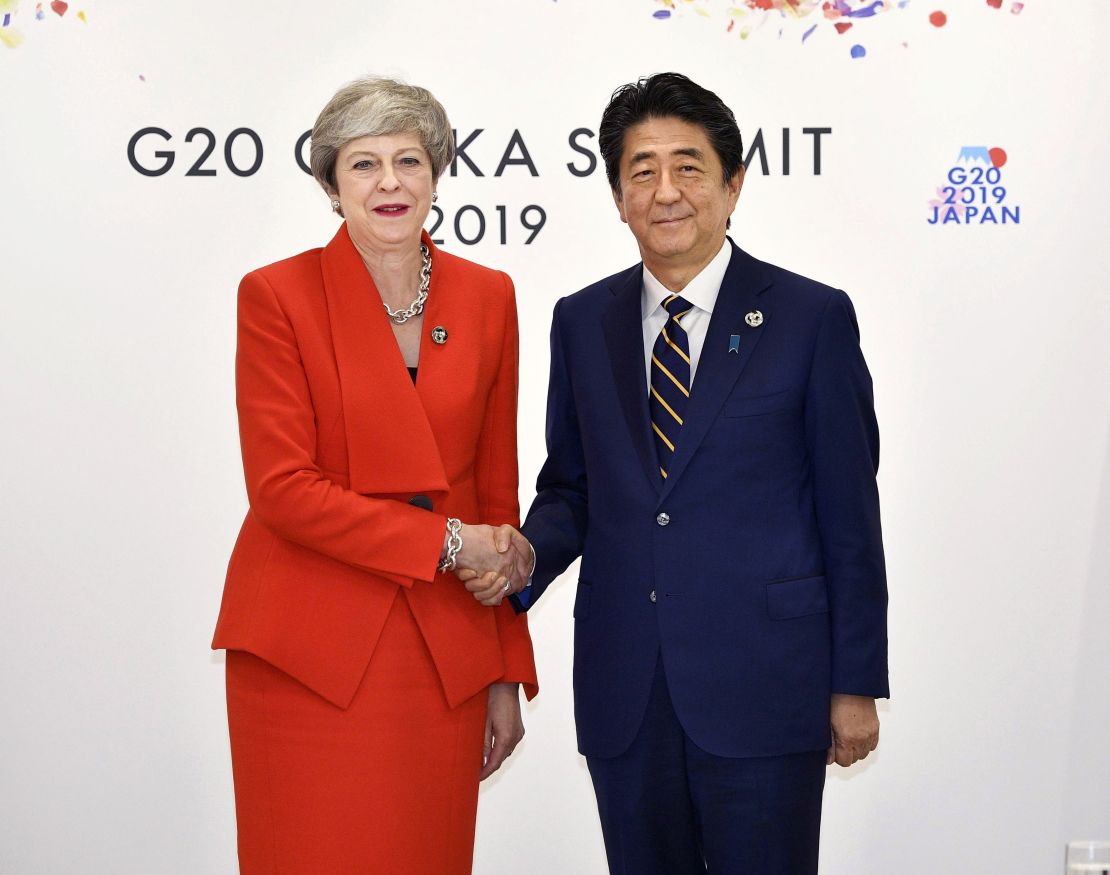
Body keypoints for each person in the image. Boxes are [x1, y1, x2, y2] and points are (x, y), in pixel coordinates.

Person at [508, 72, 889, 873]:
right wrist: (518, 561)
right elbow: (573, 488)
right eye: (641, 170)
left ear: (733, 183)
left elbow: (849, 511)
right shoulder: (581, 321)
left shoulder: (810, 317)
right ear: (618, 196)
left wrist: (855, 682)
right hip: (628, 691)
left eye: (688, 166)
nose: (665, 190)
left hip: (767, 687)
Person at [210, 76, 537, 875]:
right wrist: (449, 540)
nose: (389, 182)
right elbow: (284, 489)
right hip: (307, 652)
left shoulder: (489, 296)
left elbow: (495, 490)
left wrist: (504, 671)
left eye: (409, 160)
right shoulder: (276, 295)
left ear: (437, 175)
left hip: (441, 658)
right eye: (363, 164)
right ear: (330, 185)